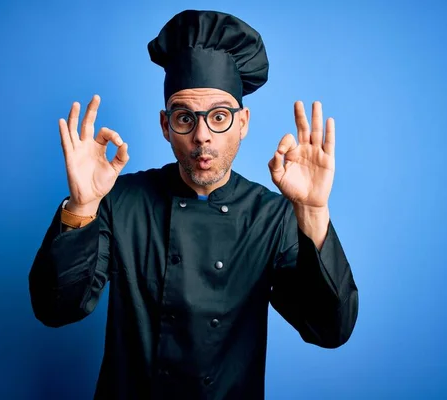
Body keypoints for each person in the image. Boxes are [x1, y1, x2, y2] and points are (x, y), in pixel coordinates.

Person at [28, 9, 359, 400]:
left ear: (243, 122)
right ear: (166, 125)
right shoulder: (119, 201)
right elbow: (56, 309)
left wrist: (314, 212)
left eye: (219, 116)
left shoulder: (274, 216)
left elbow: (329, 329)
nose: (202, 136)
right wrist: (83, 204)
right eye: (185, 118)